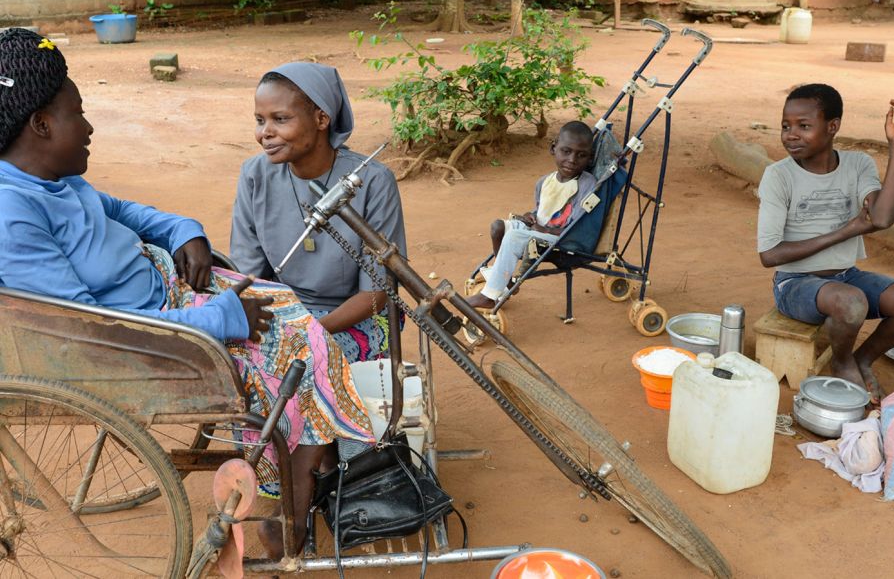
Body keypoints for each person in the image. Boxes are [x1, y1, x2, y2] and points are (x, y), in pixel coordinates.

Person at [0, 28, 373, 557]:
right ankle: (292, 503)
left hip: (171, 293)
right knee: (301, 348)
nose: (89, 126)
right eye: (77, 114)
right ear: (41, 125)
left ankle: (310, 467)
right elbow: (89, 329)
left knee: (292, 316)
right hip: (148, 332)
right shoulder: (13, 214)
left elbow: (122, 211)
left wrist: (183, 231)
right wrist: (221, 318)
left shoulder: (55, 180)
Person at [231, 62, 407, 364]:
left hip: (358, 316)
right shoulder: (254, 175)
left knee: (305, 364)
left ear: (321, 118)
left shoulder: (373, 181)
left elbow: (377, 292)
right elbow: (248, 274)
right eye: (260, 120)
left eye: (280, 119)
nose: (265, 133)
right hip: (286, 312)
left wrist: (309, 333)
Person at [757, 84, 894, 403]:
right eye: (786, 126)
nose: (791, 135)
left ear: (832, 126)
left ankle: (863, 359)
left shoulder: (858, 165)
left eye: (804, 126)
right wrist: (846, 231)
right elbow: (769, 255)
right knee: (850, 302)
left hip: (845, 276)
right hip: (795, 284)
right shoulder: (778, 176)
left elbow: (881, 218)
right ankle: (842, 361)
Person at [466, 120, 597, 310]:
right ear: (553, 148)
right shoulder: (544, 182)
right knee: (498, 227)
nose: (572, 160)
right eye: (566, 151)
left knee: (513, 236)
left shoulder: (587, 185)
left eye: (581, 155)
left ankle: (489, 295)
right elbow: (543, 212)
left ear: (590, 158)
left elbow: (576, 227)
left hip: (563, 242)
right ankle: (504, 279)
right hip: (539, 231)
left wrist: (542, 229)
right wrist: (530, 216)